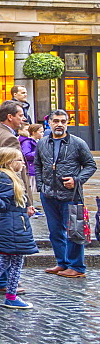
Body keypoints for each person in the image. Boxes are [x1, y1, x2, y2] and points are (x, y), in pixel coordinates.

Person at [35, 109, 96, 279]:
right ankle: (62, 262)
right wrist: (40, 185)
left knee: (74, 231)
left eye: (63, 121)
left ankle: (76, 266)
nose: (59, 124)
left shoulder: (78, 143)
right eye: (56, 121)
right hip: (48, 195)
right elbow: (37, 164)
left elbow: (90, 165)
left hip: (71, 195)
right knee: (55, 231)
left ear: (67, 123)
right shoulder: (42, 143)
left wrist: (77, 180)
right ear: (50, 123)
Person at [0, 146, 37, 308]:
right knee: (16, 262)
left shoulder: (8, 178)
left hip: (12, 224)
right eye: (19, 160)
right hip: (12, 227)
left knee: (5, 260)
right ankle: (10, 295)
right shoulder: (6, 180)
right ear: (9, 163)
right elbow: (3, 206)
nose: (23, 163)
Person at [20, 123, 43, 197]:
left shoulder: (38, 142)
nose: (42, 134)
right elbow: (26, 155)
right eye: (40, 132)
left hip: (36, 169)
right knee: (32, 188)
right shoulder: (27, 142)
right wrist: (39, 152)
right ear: (34, 132)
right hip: (31, 169)